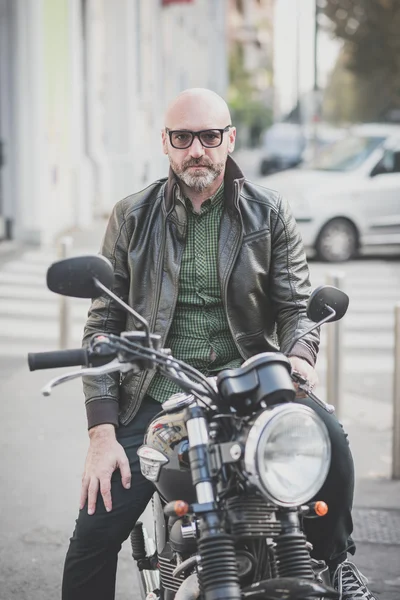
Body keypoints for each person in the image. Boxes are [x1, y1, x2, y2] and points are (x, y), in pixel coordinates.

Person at [62, 88, 378, 600]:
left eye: (209, 136)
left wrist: (300, 358)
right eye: (182, 137)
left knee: (329, 437)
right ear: (165, 143)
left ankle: (337, 562)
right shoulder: (132, 216)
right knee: (93, 534)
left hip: (251, 385)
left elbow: (297, 306)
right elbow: (102, 325)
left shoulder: (269, 210)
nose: (197, 150)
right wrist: (101, 432)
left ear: (229, 139)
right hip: (155, 395)